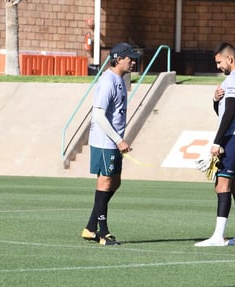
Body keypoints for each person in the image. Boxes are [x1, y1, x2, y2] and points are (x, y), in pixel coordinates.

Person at [195, 42, 235, 247]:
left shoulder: (234, 79)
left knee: (222, 185)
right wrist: (214, 100)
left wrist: (217, 142)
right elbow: (224, 112)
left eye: (219, 62)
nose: (218, 66)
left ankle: (218, 236)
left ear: (229, 59)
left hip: (233, 137)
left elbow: (229, 112)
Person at [81, 43, 140, 246]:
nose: (133, 61)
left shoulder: (120, 80)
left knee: (114, 182)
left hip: (111, 142)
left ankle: (90, 227)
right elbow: (98, 114)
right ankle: (102, 232)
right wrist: (118, 139)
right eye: (129, 58)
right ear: (118, 59)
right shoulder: (108, 81)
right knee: (105, 182)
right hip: (105, 141)